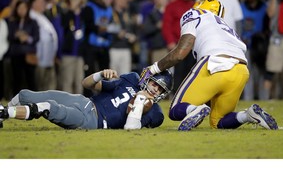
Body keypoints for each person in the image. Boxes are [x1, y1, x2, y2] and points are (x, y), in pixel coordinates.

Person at [139, 0, 278, 131]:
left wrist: (154, 68)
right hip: (241, 70)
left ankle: (195, 109)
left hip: (215, 62)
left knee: (176, 109)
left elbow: (180, 53)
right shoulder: (225, 26)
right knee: (218, 121)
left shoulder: (195, 13)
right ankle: (248, 115)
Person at [0, 69, 173, 130]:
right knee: (26, 95)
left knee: (49, 107)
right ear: (148, 79)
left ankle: (6, 112)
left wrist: (139, 104)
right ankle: (3, 114)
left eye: (160, 89)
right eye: (154, 83)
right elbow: (87, 83)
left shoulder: (156, 112)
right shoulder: (131, 79)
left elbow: (130, 127)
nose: (155, 89)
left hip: (92, 120)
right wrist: (99, 75)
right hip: (84, 101)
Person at [162, 0, 196, 95]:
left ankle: (190, 96)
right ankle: (176, 96)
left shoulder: (195, 6)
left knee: (192, 72)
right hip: (178, 45)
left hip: (193, 45)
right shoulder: (171, 6)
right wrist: (170, 41)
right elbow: (167, 25)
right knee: (179, 72)